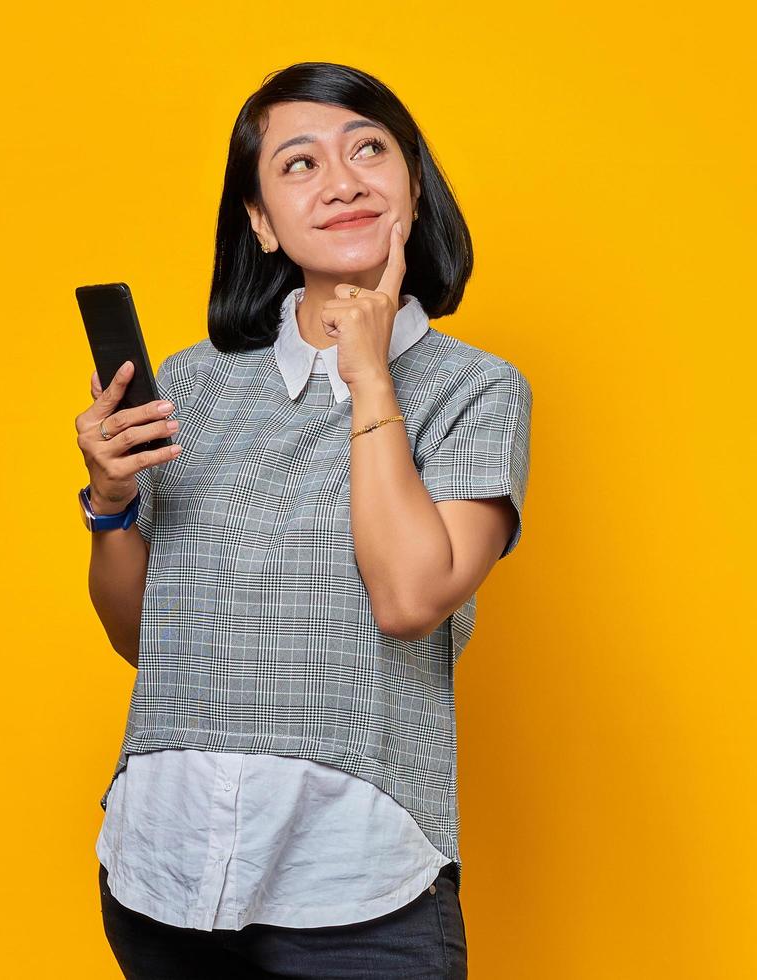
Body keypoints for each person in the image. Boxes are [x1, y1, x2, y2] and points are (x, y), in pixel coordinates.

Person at [73, 62, 533, 979]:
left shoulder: (475, 389)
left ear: (411, 183)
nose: (342, 180)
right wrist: (111, 504)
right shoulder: (193, 384)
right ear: (258, 218)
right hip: (163, 870)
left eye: (369, 149)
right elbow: (144, 638)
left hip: (355, 887)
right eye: (299, 164)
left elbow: (408, 599)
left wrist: (368, 374)